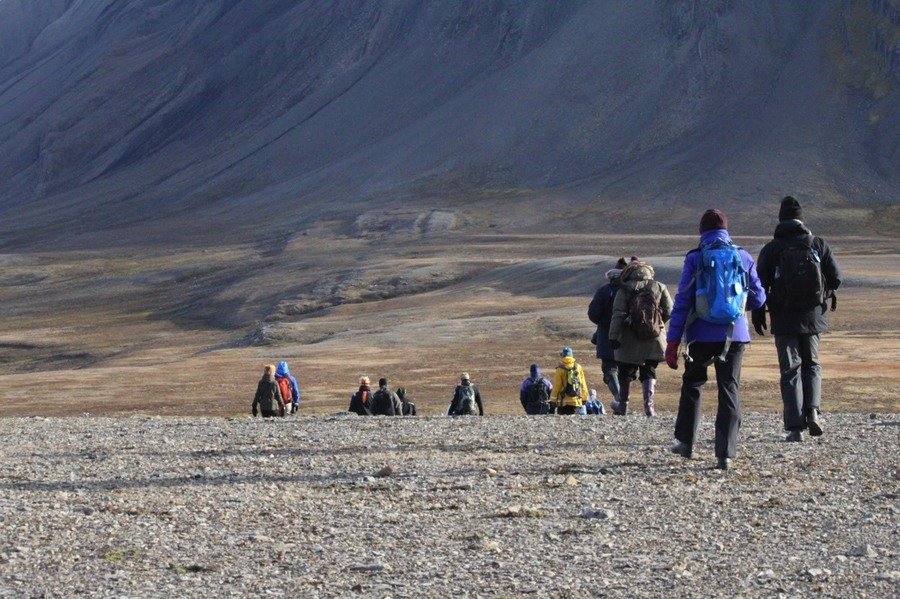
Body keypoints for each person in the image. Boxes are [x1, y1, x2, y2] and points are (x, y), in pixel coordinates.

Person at [665, 209, 766, 470]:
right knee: (729, 388)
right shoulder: (742, 256)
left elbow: (683, 302)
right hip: (735, 335)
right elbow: (759, 298)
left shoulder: (695, 258)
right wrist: (738, 304)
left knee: (693, 384)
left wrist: (673, 341)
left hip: (700, 334)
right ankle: (725, 454)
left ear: (701, 231)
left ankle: (686, 443)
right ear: (727, 229)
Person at [752, 196, 842, 442]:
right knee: (812, 364)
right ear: (801, 219)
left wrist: (759, 314)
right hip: (813, 317)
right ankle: (812, 411)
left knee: (790, 369)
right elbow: (835, 278)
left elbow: (759, 286)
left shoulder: (772, 249)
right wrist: (823, 294)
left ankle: (794, 427)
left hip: (783, 318)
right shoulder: (817, 243)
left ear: (781, 219)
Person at [608, 260, 673, 416]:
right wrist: (658, 324)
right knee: (649, 371)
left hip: (628, 337)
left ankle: (623, 407)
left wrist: (613, 336)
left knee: (625, 372)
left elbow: (617, 314)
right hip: (654, 337)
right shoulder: (659, 286)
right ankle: (649, 408)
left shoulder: (624, 289)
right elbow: (670, 309)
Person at [588, 257, 627, 409]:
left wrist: (605, 321)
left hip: (607, 337)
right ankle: (629, 401)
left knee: (610, 370)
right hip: (630, 337)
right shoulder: (633, 291)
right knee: (626, 370)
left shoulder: (604, 291)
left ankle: (620, 399)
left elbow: (593, 314)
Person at [550, 347, 588, 415]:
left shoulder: (560, 369)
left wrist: (553, 399)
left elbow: (557, 386)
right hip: (576, 401)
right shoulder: (578, 367)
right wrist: (584, 398)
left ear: (563, 356)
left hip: (563, 402)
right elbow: (582, 384)